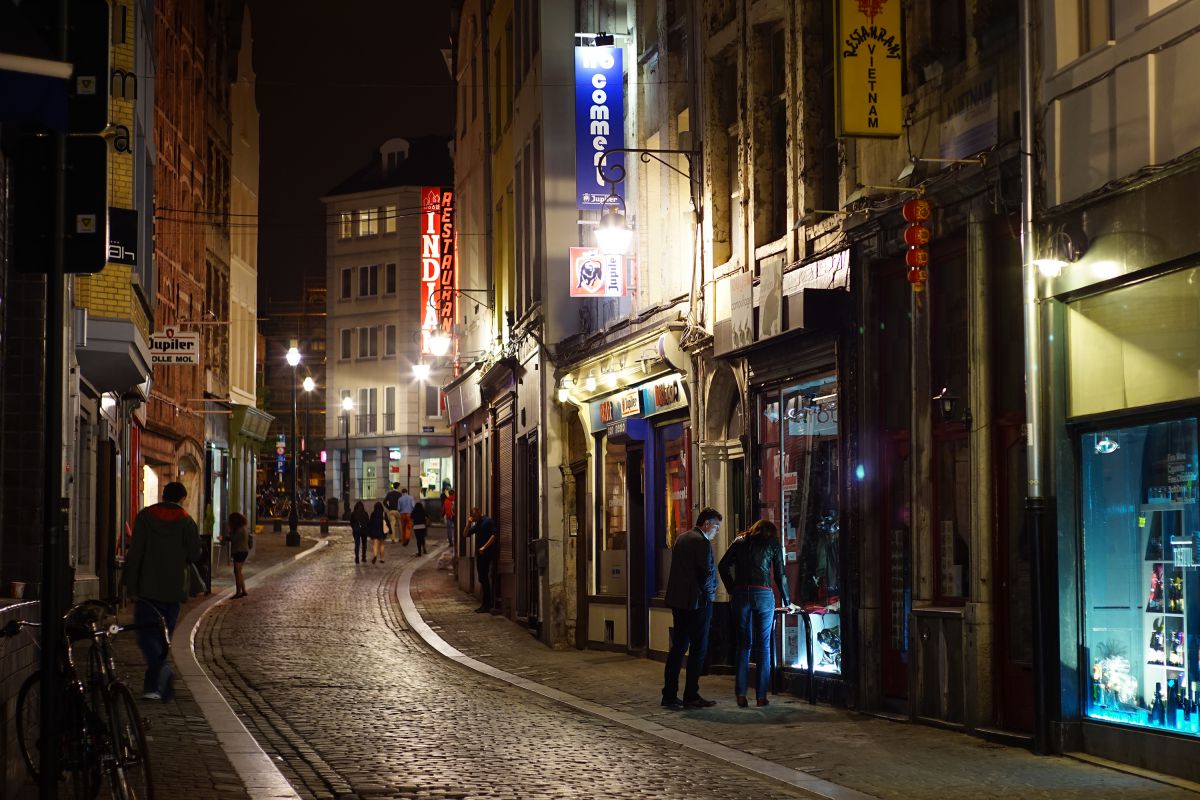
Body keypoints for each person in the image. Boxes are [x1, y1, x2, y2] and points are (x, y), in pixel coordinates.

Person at [123, 481, 203, 701]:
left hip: (148, 587)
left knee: (146, 634)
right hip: (174, 588)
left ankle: (159, 674)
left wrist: (130, 585)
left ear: (163, 495)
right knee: (163, 636)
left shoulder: (145, 517)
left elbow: (135, 552)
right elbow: (195, 554)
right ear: (182, 499)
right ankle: (154, 686)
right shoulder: (186, 521)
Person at [718, 519, 799, 707]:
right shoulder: (772, 543)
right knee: (763, 646)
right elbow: (780, 573)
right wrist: (787, 601)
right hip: (763, 593)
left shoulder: (739, 540)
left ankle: (741, 694)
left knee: (743, 645)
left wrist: (732, 588)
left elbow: (723, 565)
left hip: (741, 593)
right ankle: (761, 697)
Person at [661, 506, 722, 709]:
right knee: (698, 649)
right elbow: (706, 573)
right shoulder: (702, 542)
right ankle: (691, 695)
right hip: (698, 603)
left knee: (678, 648)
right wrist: (711, 594)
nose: (717, 532)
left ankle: (669, 694)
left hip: (678, 602)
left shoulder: (682, 538)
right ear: (707, 524)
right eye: (716, 527)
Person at [465, 507, 497, 612]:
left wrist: (484, 547)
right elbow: (465, 534)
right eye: (472, 517)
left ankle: (487, 604)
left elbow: (494, 536)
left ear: (479, 512)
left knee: (485, 578)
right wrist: (469, 523)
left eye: (474, 516)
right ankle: (485, 604)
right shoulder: (477, 524)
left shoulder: (488, 521)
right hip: (479, 555)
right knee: (482, 578)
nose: (473, 518)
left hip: (487, 554)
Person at [228, 511, 251, 598]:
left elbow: (234, 539)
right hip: (243, 551)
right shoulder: (244, 527)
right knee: (238, 571)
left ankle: (238, 592)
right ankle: (243, 590)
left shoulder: (239, 529)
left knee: (237, 572)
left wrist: (230, 533)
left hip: (239, 551)